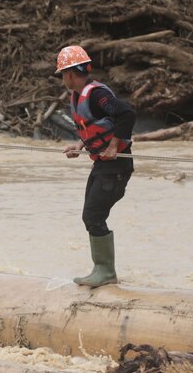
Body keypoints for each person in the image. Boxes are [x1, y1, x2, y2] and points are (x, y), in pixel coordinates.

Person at [55, 45, 135, 288]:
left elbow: (127, 115)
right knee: (90, 215)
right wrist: (79, 145)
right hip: (102, 165)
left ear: (69, 74)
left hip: (116, 166)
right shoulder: (80, 95)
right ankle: (102, 270)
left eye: (62, 74)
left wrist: (113, 147)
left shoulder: (98, 96)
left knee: (93, 215)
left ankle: (105, 272)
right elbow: (91, 127)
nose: (63, 79)